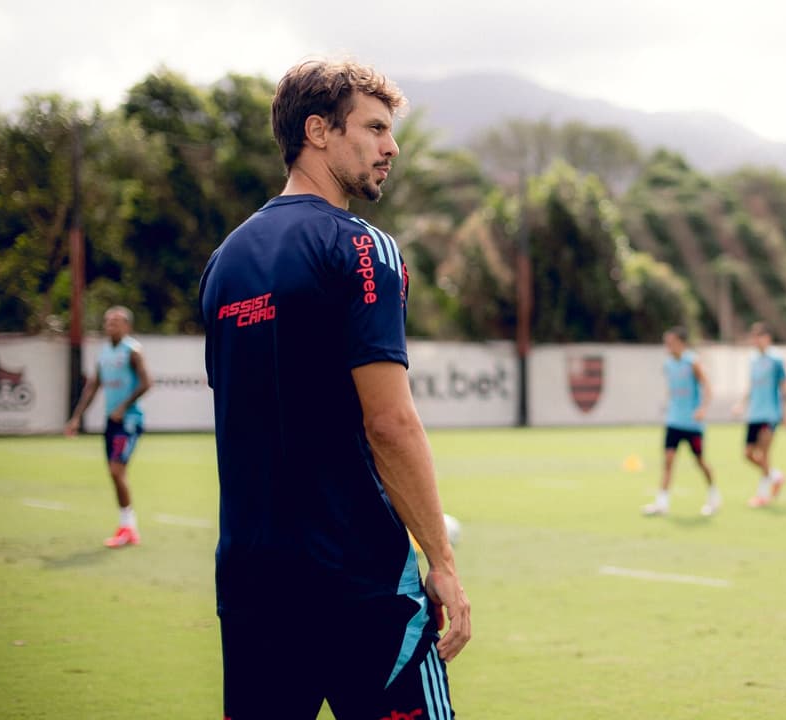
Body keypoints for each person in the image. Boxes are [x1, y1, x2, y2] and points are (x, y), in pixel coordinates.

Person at [200, 59, 469, 720]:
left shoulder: (224, 260)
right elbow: (390, 423)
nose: (391, 147)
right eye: (374, 128)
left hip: (251, 579)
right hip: (359, 580)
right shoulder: (361, 247)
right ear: (318, 131)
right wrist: (442, 563)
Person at [64, 306, 151, 548]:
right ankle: (129, 527)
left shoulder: (133, 351)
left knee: (116, 471)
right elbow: (92, 386)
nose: (110, 324)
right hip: (111, 422)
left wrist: (124, 407)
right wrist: (76, 417)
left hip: (129, 421)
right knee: (115, 474)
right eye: (107, 320)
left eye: (116, 321)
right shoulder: (103, 354)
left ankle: (128, 527)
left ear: (127, 326)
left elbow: (147, 383)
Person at [644, 326, 720, 517]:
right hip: (673, 421)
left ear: (681, 343)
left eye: (671, 342)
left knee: (700, 461)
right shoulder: (668, 365)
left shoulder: (692, 362)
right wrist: (667, 405)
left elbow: (707, 387)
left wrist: (702, 409)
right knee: (668, 461)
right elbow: (672, 389)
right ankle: (662, 503)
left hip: (692, 424)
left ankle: (713, 495)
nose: (667, 346)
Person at [733, 323, 786, 508]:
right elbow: (752, 385)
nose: (756, 341)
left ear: (768, 338)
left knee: (764, 454)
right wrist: (741, 404)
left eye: (760, 337)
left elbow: (784, 386)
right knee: (748, 454)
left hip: (770, 414)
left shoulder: (776, 360)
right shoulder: (752, 359)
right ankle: (775, 476)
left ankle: (762, 495)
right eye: (754, 337)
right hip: (754, 414)